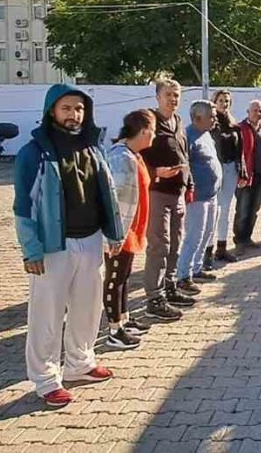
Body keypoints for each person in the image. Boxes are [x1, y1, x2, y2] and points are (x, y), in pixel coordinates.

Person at [13, 84, 125, 408]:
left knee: (89, 308)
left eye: (79, 108)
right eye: (66, 108)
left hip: (91, 240)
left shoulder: (93, 147)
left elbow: (108, 194)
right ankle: (46, 379)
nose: (74, 114)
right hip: (53, 246)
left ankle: (80, 363)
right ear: (52, 111)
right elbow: (23, 206)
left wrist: (114, 233)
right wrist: (31, 249)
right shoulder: (34, 153)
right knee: (47, 315)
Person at [139, 79, 195, 322]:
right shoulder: (148, 121)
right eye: (169, 94)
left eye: (177, 95)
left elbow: (185, 155)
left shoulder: (179, 122)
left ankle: (170, 286)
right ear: (157, 97)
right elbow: (134, 154)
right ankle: (154, 297)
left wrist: (188, 184)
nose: (173, 99)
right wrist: (155, 172)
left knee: (175, 242)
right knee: (159, 245)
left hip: (178, 192)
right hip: (157, 192)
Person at [104, 109, 156, 350]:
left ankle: (124, 318)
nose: (154, 136)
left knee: (124, 276)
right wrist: (114, 234)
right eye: (153, 130)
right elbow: (113, 198)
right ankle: (114, 330)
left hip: (133, 229)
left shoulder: (133, 155)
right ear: (144, 130)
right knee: (115, 278)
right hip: (121, 231)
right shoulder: (121, 157)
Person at [178, 100, 221, 289]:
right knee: (194, 235)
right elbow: (184, 168)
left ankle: (196, 268)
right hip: (197, 197)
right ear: (197, 118)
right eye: (211, 116)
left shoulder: (206, 134)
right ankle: (183, 276)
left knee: (207, 233)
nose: (215, 119)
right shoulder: (187, 137)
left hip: (211, 194)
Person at [233, 99, 261, 253]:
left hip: (260, 175)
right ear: (248, 112)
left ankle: (247, 237)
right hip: (245, 176)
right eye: (254, 110)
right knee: (242, 209)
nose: (257, 113)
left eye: (260, 111)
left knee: (254, 209)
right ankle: (239, 241)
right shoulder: (240, 129)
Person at [210, 89, 244, 265]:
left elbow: (240, 149)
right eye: (221, 100)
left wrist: (242, 168)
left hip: (231, 168)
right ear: (214, 102)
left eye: (227, 101)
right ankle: (207, 251)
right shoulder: (211, 123)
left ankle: (221, 248)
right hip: (216, 169)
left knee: (226, 210)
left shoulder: (233, 123)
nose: (224, 103)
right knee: (213, 210)